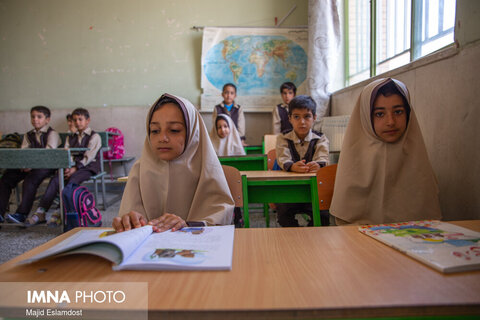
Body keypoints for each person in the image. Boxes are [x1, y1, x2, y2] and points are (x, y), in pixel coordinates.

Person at [113, 93, 234, 233]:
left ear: (192, 132)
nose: (162, 138)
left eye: (174, 130)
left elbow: (221, 217)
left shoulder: (207, 168)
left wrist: (188, 225)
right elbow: (129, 219)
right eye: (155, 131)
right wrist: (129, 221)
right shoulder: (139, 170)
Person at [330, 78, 443, 225]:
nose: (391, 121)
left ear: (408, 114)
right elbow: (345, 225)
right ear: (365, 116)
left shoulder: (418, 156)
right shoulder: (352, 160)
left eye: (398, 112)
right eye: (379, 114)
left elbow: (428, 222)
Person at [28, 107, 102, 226]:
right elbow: (67, 154)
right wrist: (68, 167)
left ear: (88, 121)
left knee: (71, 182)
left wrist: (75, 168)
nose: (77, 122)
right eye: (75, 120)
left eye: (80, 119)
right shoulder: (70, 137)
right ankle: (41, 211)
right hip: (72, 167)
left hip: (88, 167)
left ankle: (59, 212)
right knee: (56, 180)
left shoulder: (95, 136)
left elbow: (89, 157)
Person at [275, 95, 330, 227]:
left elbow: (323, 158)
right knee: (283, 215)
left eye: (307, 116)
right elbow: (283, 159)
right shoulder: (283, 138)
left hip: (313, 190)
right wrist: (292, 166)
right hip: (290, 190)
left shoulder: (320, 138)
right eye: (296, 117)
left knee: (323, 216)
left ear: (314, 118)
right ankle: (295, 237)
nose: (302, 122)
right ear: (289, 119)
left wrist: (318, 165)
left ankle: (310, 237)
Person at [1, 106, 60, 224]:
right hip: (30, 165)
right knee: (6, 178)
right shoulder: (28, 135)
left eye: (39, 117)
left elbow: (48, 155)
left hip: (48, 166)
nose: (35, 120)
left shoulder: (52, 134)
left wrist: (31, 165)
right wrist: (24, 164)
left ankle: (21, 214)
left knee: (30, 180)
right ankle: (0, 212)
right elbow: (24, 152)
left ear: (47, 119)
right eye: (33, 117)